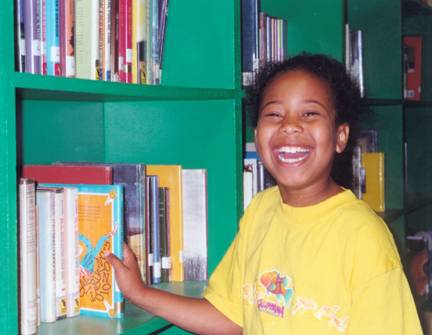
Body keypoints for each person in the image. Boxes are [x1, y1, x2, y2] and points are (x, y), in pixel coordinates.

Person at [106, 53, 423, 334]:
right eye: (274, 114)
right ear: (257, 136)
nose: (289, 126)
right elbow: (230, 316)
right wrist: (140, 293)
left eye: (310, 114)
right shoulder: (261, 209)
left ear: (340, 137)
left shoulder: (364, 237)